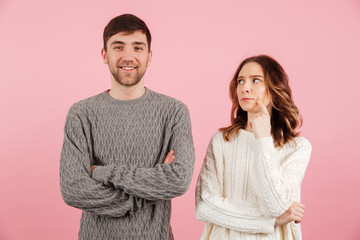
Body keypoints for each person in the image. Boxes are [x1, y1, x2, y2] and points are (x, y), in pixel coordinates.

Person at [60, 14, 195, 240]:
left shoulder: (174, 112)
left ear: (149, 56)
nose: (128, 56)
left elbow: (179, 180)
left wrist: (101, 172)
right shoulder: (81, 113)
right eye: (118, 46)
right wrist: (149, 191)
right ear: (105, 54)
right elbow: (73, 189)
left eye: (138, 48)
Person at [195, 55, 312, 239]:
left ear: (275, 89)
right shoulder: (221, 140)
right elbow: (204, 206)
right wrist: (270, 221)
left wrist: (263, 139)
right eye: (240, 81)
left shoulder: (297, 147)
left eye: (255, 80)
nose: (245, 88)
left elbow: (275, 206)